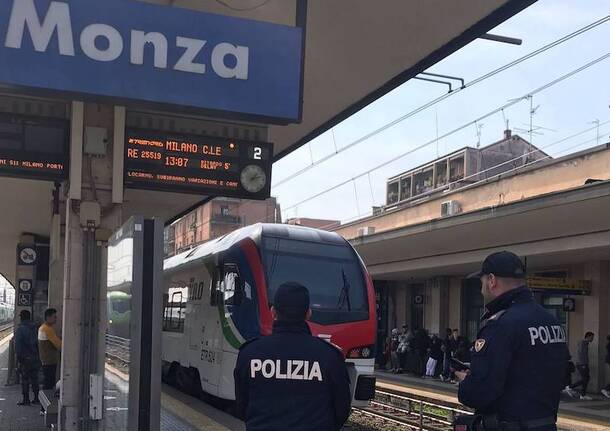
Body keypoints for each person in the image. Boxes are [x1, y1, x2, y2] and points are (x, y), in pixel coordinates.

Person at [456, 251, 568, 431]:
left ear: (492, 280)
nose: (481, 288)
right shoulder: (551, 321)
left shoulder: (501, 325)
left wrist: (467, 381)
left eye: (482, 282)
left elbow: (479, 393)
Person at [234, 282, 351, 431]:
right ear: (308, 314)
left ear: (273, 312)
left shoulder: (249, 353)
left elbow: (241, 406)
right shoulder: (329, 356)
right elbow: (341, 409)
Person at [14, 309, 40, 405]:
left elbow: (18, 346)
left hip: (25, 358)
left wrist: (18, 358)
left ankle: (26, 399)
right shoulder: (35, 328)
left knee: (25, 379)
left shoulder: (21, 329)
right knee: (35, 378)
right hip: (35, 357)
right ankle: (37, 398)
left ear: (21, 317)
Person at [38, 308, 62, 390]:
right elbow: (59, 345)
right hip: (49, 361)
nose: (56, 319)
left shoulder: (43, 327)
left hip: (46, 360)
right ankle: (46, 400)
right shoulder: (47, 329)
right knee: (49, 382)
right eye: (54, 317)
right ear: (48, 317)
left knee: (48, 381)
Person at [569, 332, 594, 401]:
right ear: (588, 336)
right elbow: (580, 353)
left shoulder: (585, 344)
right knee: (585, 379)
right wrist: (583, 364)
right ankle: (571, 387)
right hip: (582, 364)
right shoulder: (582, 343)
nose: (592, 339)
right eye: (592, 337)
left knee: (586, 378)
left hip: (584, 363)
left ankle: (582, 394)